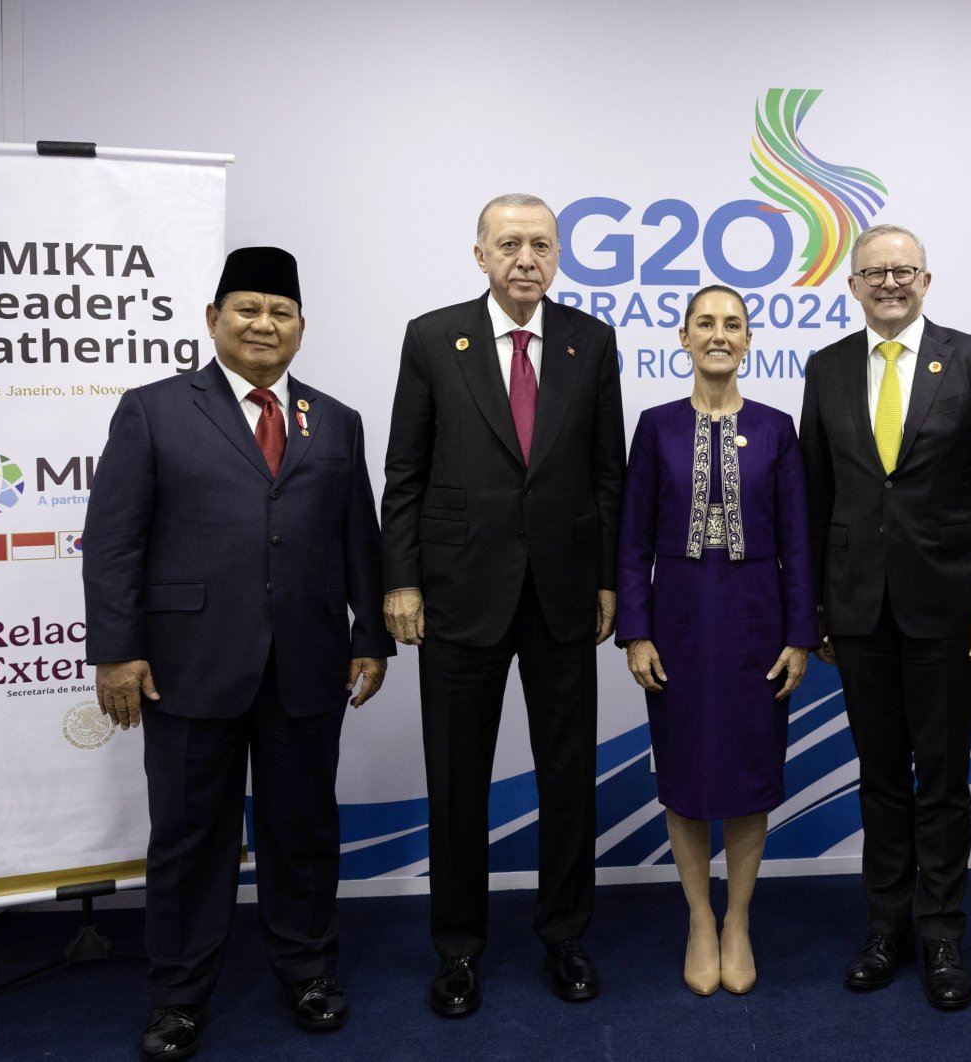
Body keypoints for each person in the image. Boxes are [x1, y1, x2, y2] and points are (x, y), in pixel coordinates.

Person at [83, 246, 392, 1060]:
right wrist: (116, 653)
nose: (264, 323)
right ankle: (178, 997)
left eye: (279, 312)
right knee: (189, 838)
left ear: (300, 328)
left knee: (302, 830)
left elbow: (358, 535)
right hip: (186, 663)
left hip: (307, 662)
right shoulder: (152, 409)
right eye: (247, 308)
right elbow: (114, 542)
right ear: (213, 318)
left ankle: (308, 972)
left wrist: (371, 636)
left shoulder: (333, 419)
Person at [381, 193, 625, 1016]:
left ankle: (565, 935)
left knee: (567, 778)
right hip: (457, 594)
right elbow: (404, 473)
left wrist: (604, 579)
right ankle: (457, 950)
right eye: (509, 244)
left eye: (541, 245)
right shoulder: (431, 337)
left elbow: (606, 474)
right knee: (456, 781)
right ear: (479, 255)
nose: (526, 258)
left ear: (557, 257)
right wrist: (403, 579)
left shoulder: (590, 341)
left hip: (560, 593)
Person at [800, 224, 971, 1010]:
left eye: (901, 271)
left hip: (950, 607)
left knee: (944, 780)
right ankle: (885, 928)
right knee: (880, 779)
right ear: (852, 286)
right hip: (857, 611)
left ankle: (941, 937)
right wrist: (817, 608)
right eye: (873, 273)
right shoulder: (825, 368)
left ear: (925, 279)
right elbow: (814, 498)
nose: (888, 283)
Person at [616, 285, 815, 996]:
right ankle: (699, 918)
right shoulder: (656, 426)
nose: (719, 335)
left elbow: (798, 541)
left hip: (757, 621)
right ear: (683, 336)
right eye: (706, 323)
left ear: (749, 338)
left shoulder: (775, 428)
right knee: (686, 776)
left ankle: (738, 920)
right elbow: (632, 538)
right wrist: (635, 631)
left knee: (749, 775)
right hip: (677, 624)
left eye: (732, 324)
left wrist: (800, 635)